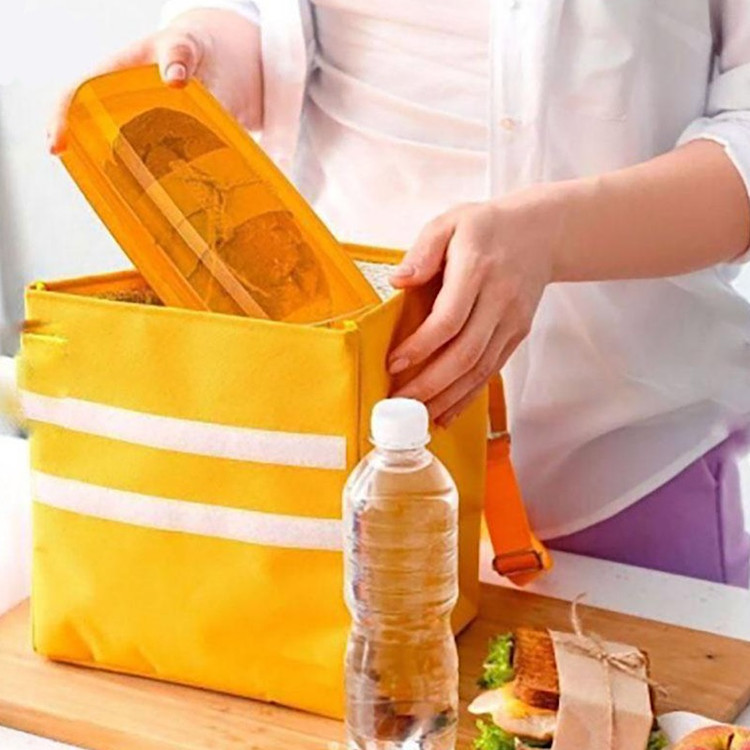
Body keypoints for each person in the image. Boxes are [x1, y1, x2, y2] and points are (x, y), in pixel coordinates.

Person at [49, 0, 750, 587]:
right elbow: (272, 24)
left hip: (613, 463)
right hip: (332, 446)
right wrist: (208, 54)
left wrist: (552, 238)